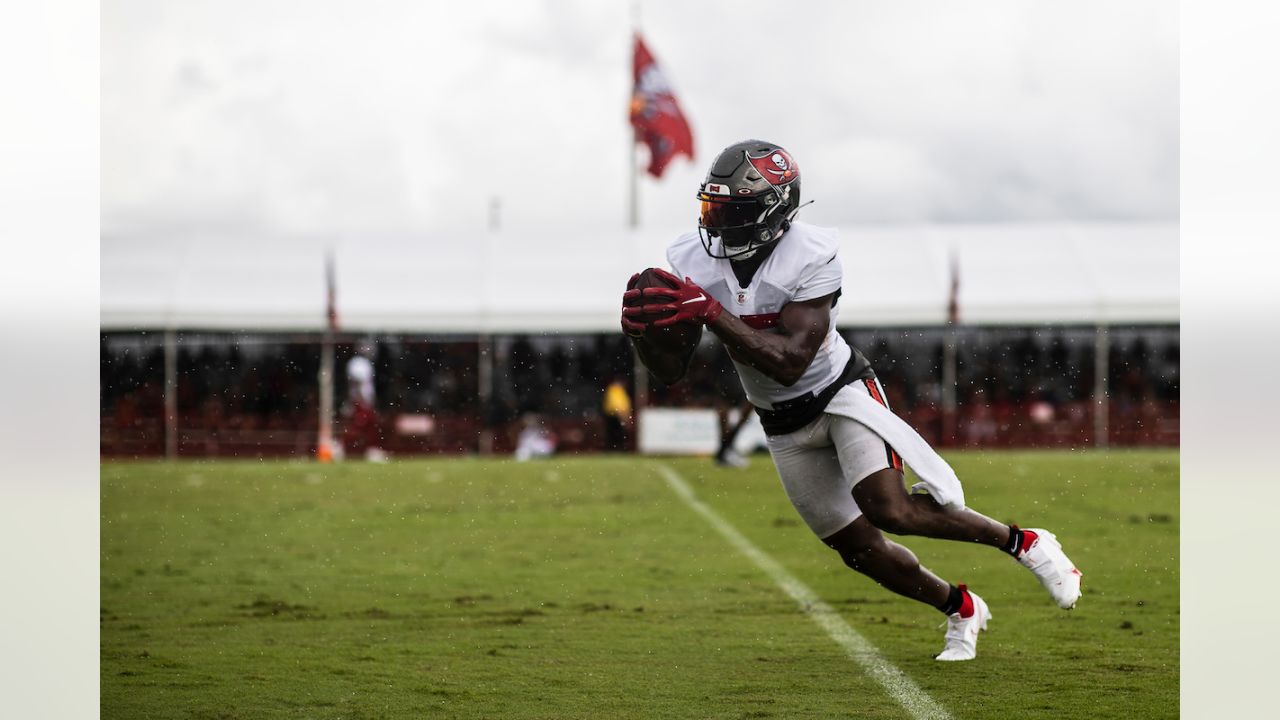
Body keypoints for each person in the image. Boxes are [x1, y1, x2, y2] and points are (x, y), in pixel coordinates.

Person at [621, 139, 1081, 661]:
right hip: (780, 422)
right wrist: (646, 334)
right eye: (712, 208)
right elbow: (668, 373)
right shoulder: (691, 257)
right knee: (859, 550)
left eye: (734, 210)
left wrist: (709, 312)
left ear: (774, 212)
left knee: (889, 509)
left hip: (839, 395)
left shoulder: (811, 256)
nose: (719, 224)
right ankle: (961, 607)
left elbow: (791, 359)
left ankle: (1024, 543)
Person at [343, 340, 387, 462]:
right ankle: (341, 447)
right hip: (360, 401)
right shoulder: (357, 362)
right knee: (357, 427)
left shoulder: (365, 363)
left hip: (364, 400)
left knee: (369, 426)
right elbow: (357, 382)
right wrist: (360, 399)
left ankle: (371, 450)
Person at [601, 376, 632, 451]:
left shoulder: (619, 390)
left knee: (617, 434)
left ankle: (617, 448)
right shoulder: (614, 390)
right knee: (615, 434)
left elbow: (623, 404)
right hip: (614, 416)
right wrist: (623, 416)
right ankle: (615, 449)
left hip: (617, 415)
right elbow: (617, 405)